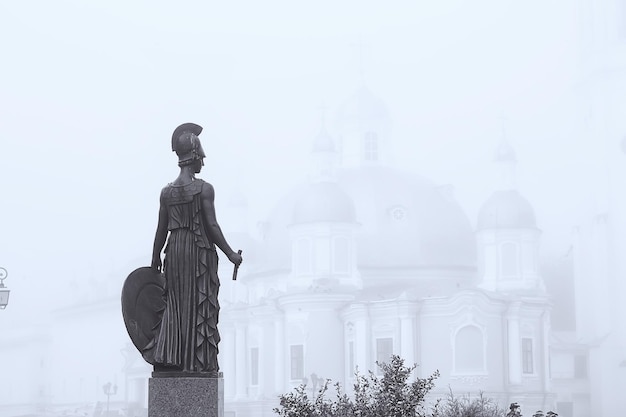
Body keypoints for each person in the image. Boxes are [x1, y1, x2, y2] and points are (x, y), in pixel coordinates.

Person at [150, 122, 242, 376]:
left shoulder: (166, 192)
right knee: (198, 305)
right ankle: (195, 363)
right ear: (194, 157)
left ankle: (175, 359)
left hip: (175, 250)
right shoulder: (204, 189)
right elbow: (211, 225)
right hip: (198, 250)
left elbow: (161, 229)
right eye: (202, 155)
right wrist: (231, 253)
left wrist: (155, 256)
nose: (204, 160)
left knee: (177, 305)